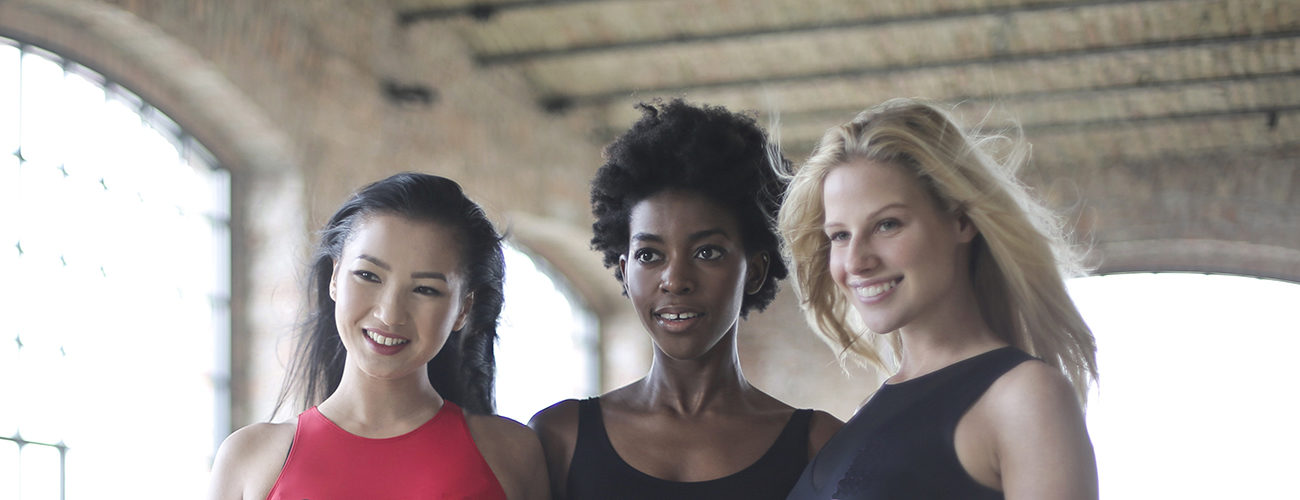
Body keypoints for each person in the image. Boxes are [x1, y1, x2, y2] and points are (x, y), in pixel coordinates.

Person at [778, 98, 1099, 499]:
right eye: (840, 235)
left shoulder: (1024, 396)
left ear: (961, 221)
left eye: (887, 224)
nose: (856, 261)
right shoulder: (869, 411)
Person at [529, 99, 843, 500]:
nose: (675, 280)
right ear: (625, 270)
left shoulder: (820, 446)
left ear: (755, 270)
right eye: (649, 255)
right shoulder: (560, 438)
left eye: (707, 252)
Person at [208, 173, 548, 500]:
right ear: (335, 277)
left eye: (425, 289)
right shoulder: (249, 460)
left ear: (463, 309)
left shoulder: (511, 453)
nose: (390, 314)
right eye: (368, 276)